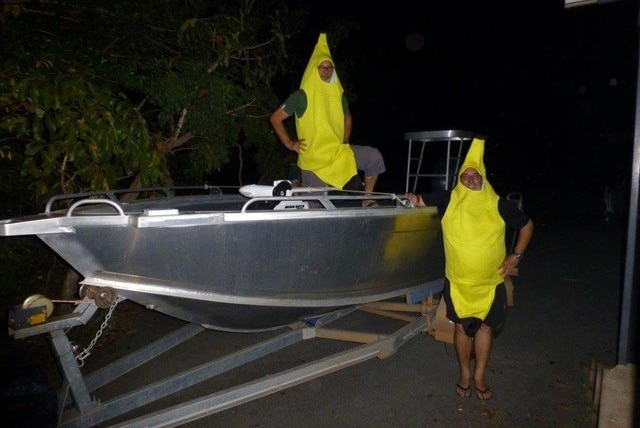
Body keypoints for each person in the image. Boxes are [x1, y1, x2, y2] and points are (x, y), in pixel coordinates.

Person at [405, 137, 534, 400]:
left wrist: (516, 256)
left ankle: (479, 376)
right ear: (459, 180)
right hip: (459, 283)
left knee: (486, 329)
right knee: (462, 329)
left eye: (476, 175)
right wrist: (410, 199)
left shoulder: (498, 203)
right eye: (466, 176)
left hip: (491, 283)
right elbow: (417, 200)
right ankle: (465, 374)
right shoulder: (448, 199)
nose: (472, 179)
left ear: (484, 178)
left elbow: (527, 225)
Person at [270, 33, 385, 205]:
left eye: (329, 66)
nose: (326, 69)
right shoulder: (302, 96)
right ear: (313, 69)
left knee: (373, 157)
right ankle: (296, 180)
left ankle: (366, 198)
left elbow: (348, 118)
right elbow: (275, 118)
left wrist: (345, 142)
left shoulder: (338, 95)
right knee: (314, 204)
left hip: (337, 153)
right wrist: (290, 144)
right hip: (314, 159)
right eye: (322, 66)